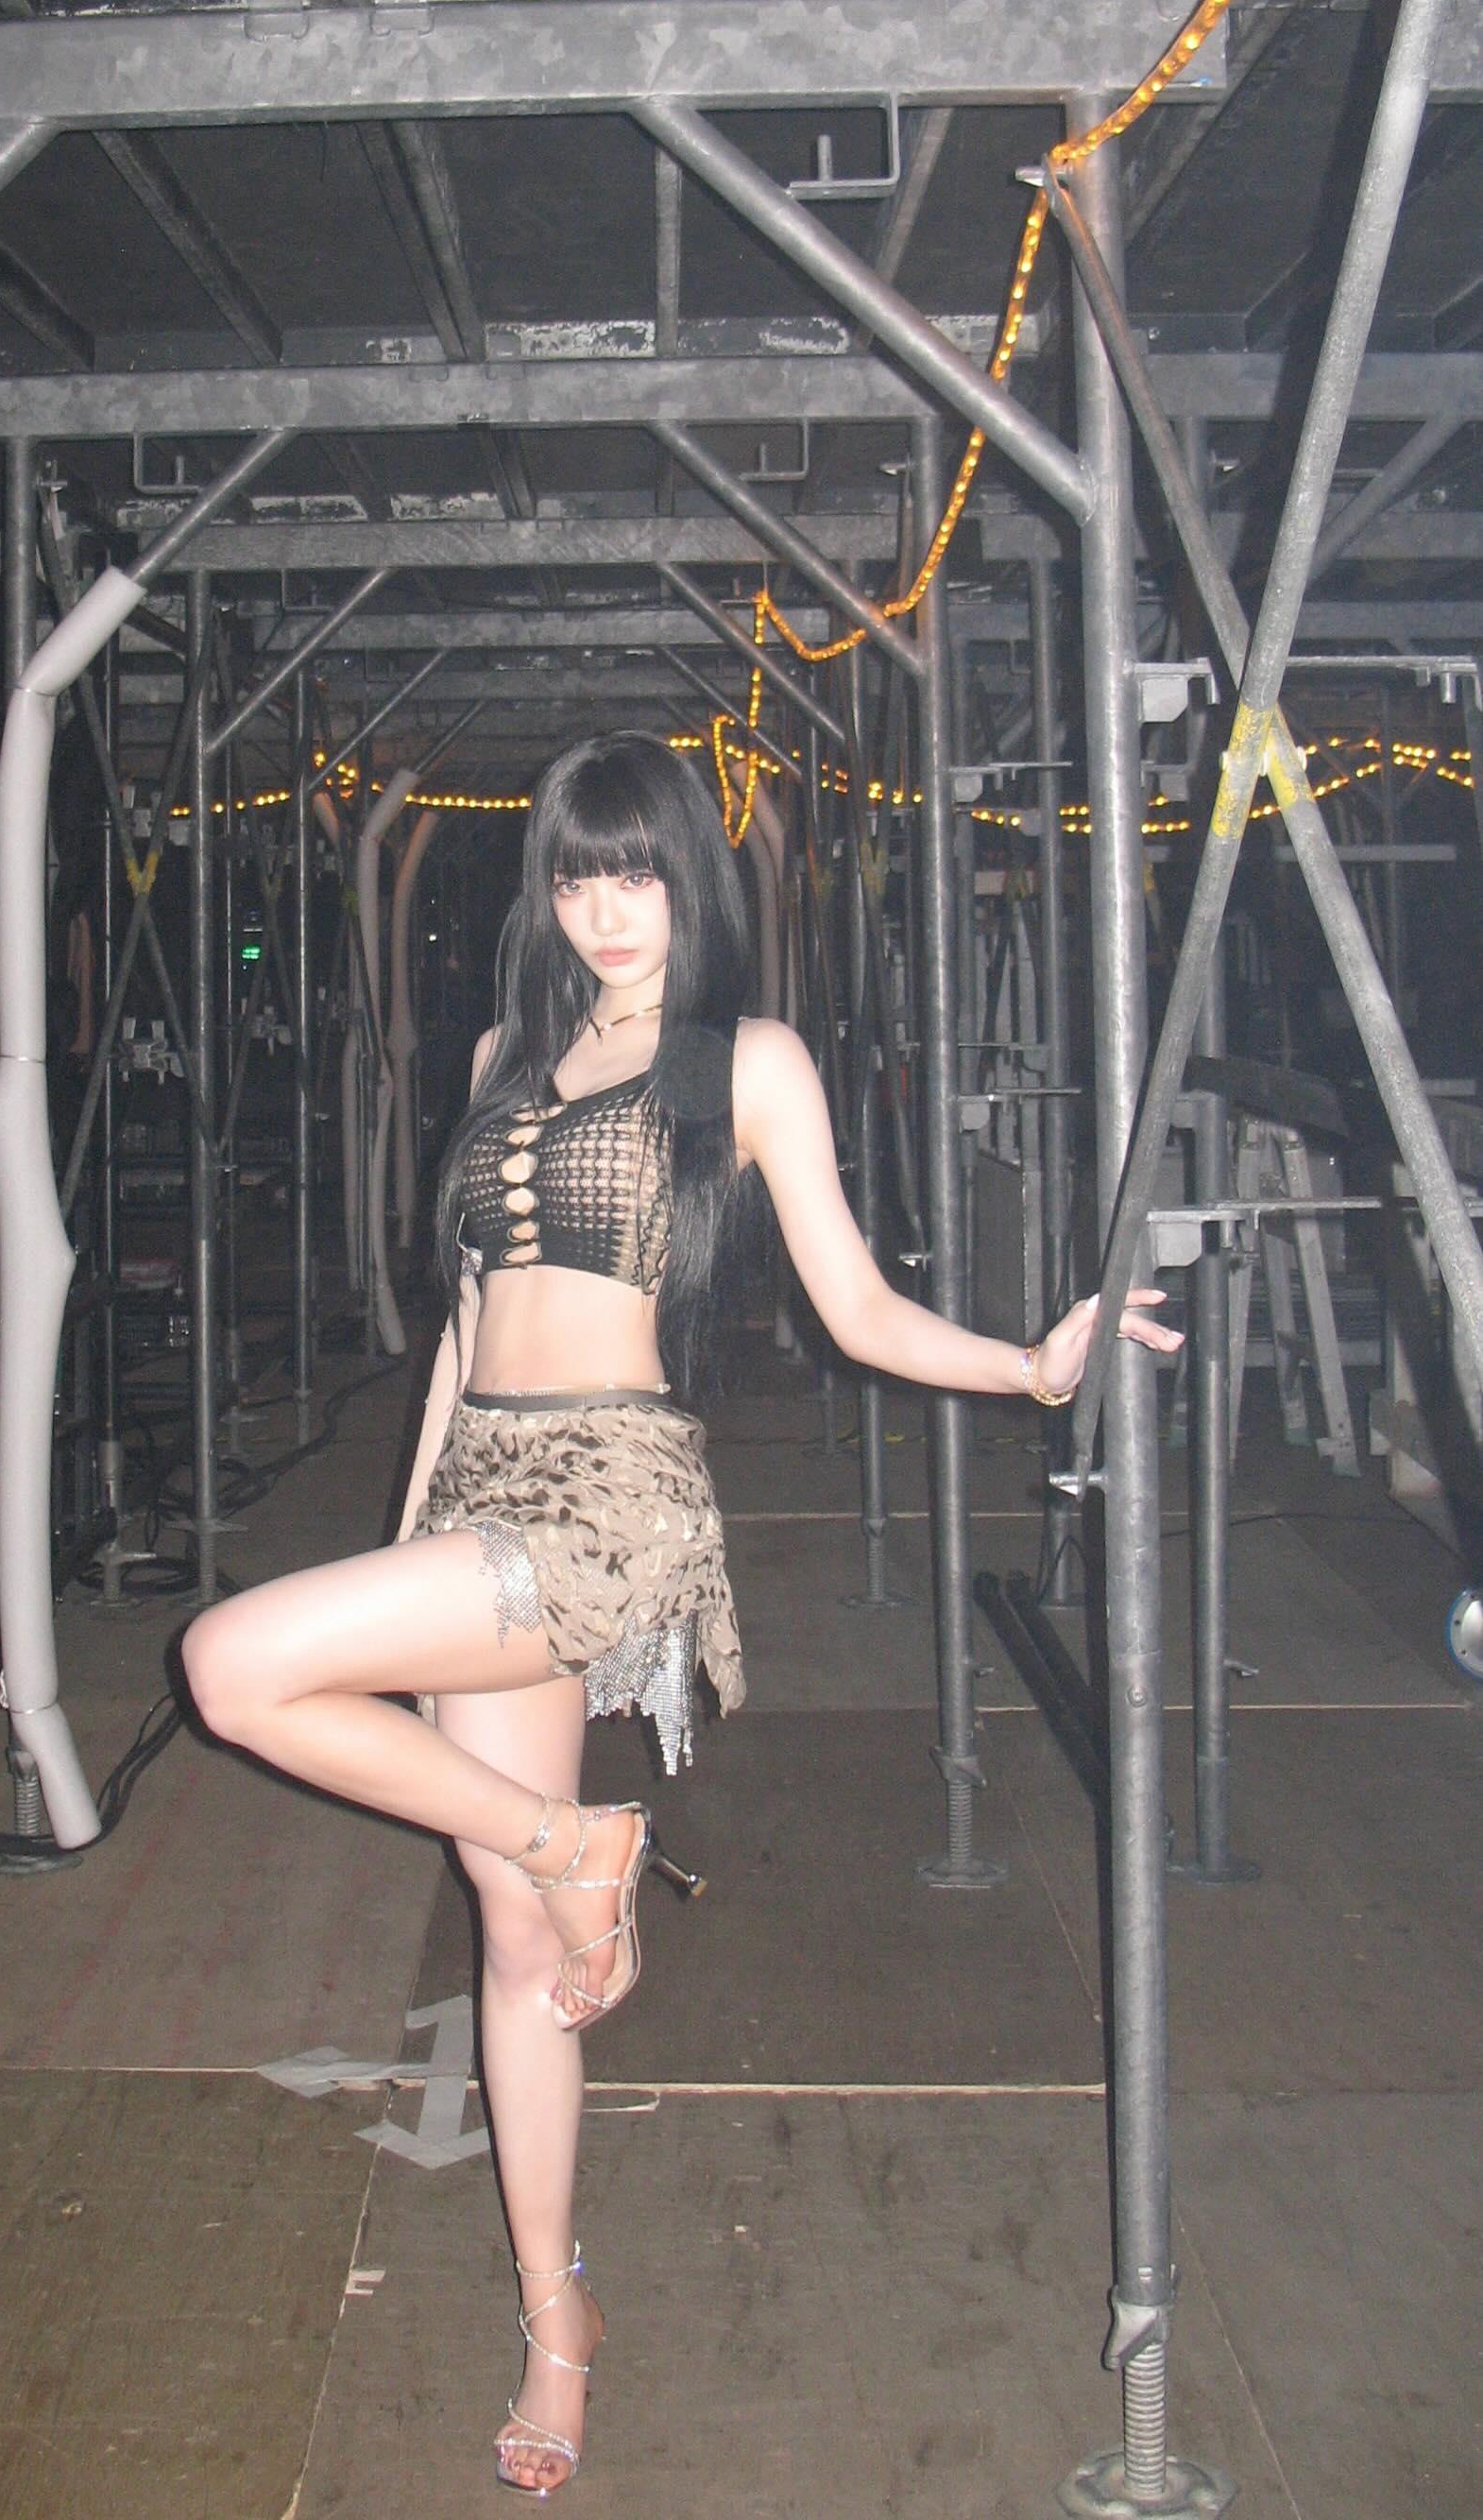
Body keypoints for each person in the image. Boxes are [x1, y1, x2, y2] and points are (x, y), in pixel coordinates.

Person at [181, 732, 1178, 2496]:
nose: (607, 906)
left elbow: (857, 1307)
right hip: (478, 1486)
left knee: (228, 1662)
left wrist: (1032, 1364)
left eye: (636, 869)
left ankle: (586, 1842)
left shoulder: (746, 1063)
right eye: (578, 873)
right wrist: (410, 1542)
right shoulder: (500, 1055)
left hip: (610, 1494)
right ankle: (557, 2318)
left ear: (687, 879)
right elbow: (461, 1335)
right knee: (513, 1949)